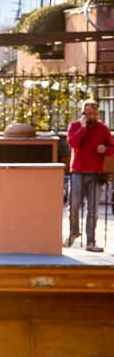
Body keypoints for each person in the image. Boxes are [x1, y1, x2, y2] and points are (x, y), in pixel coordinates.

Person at [66, 100, 114, 252]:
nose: (92, 116)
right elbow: (73, 143)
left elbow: (112, 147)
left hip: (95, 174)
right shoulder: (75, 126)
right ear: (83, 113)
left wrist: (105, 149)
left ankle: (91, 242)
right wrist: (83, 128)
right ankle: (74, 232)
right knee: (73, 206)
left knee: (92, 210)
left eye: (94, 114)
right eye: (88, 113)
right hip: (77, 172)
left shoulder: (103, 129)